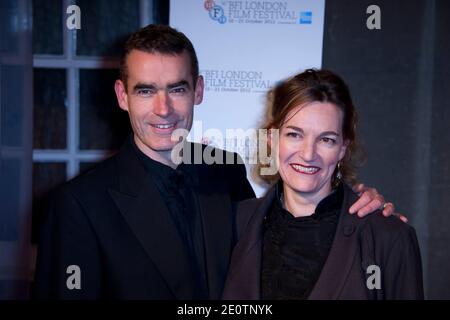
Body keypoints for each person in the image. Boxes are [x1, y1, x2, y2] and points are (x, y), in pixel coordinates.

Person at [33, 25, 396, 300]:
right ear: (122, 96)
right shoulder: (78, 205)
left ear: (199, 91)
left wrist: (356, 203)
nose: (163, 109)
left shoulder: (226, 171)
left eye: (177, 89)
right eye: (145, 91)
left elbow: (284, 239)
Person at [222, 69, 423, 300]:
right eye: (294, 135)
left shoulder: (388, 238)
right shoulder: (233, 225)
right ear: (272, 138)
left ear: (343, 148)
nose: (308, 154)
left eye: (326, 139)